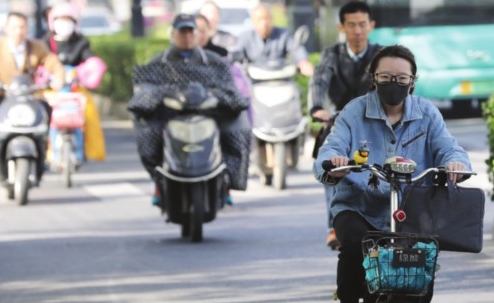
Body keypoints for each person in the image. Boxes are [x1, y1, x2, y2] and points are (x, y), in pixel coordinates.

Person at [313, 45, 472, 303]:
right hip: (357, 206)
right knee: (355, 245)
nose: (394, 83)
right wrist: (334, 163)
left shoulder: (427, 113)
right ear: (373, 78)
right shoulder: (353, 111)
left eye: (402, 78)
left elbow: (449, 147)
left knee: (424, 253)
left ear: (413, 80)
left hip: (410, 207)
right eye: (386, 76)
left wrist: (456, 164)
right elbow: (332, 147)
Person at [128, 14, 250, 205]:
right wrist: (159, 96)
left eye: (190, 31)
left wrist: (215, 97)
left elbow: (229, 88)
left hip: (209, 113)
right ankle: (159, 181)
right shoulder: (158, 62)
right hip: (168, 115)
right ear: (173, 34)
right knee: (147, 134)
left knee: (239, 130)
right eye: (182, 31)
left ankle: (226, 181)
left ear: (196, 34)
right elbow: (143, 89)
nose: (186, 36)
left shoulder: (214, 61)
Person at [309, 1, 381, 250]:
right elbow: (318, 81)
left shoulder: (380, 55)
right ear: (342, 27)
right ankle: (334, 226)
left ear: (371, 26)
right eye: (351, 25)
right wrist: (317, 108)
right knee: (331, 167)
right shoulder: (332, 54)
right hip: (336, 123)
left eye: (362, 24)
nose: (357, 31)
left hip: (372, 127)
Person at [0, 11, 65, 175]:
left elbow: (53, 63)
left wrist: (58, 78)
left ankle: (43, 148)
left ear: (27, 29)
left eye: (22, 27)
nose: (18, 31)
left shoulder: (36, 46)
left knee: (45, 110)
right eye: (14, 27)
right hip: (2, 94)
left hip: (30, 95)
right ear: (6, 29)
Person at [41, 2, 107, 164]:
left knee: (89, 113)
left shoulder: (81, 42)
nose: (64, 24)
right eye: (61, 20)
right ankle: (43, 149)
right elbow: (39, 63)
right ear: (52, 22)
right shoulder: (45, 43)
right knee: (41, 114)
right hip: (51, 90)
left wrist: (88, 71)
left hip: (74, 89)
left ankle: (87, 150)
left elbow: (90, 59)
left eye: (68, 20)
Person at [236, 3, 314, 77]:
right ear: (253, 21)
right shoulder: (245, 37)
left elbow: (296, 49)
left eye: (267, 18)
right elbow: (237, 54)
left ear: (272, 19)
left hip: (281, 79)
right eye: (259, 19)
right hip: (255, 81)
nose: (264, 23)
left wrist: (303, 61)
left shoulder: (284, 34)